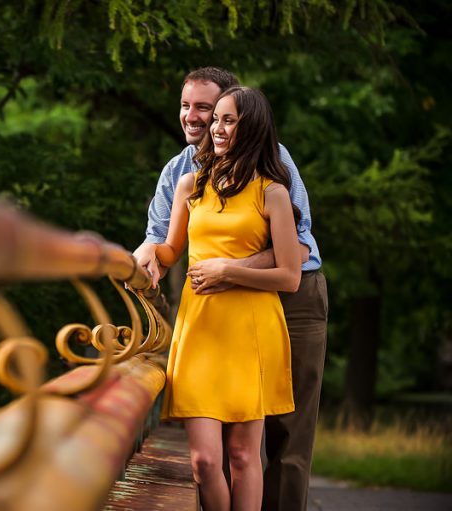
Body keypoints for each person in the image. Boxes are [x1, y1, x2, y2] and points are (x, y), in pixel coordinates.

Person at [134, 68, 328, 511]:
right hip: (209, 316)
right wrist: (142, 250)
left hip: (290, 302)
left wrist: (229, 270)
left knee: (287, 436)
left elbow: (296, 249)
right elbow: (163, 239)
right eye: (188, 107)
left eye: (209, 109)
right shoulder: (182, 172)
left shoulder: (273, 166)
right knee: (210, 457)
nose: (197, 118)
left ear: (240, 110)